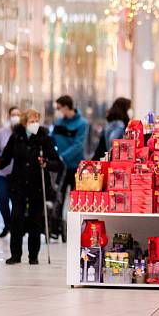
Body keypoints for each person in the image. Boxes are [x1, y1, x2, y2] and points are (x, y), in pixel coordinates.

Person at [0, 109, 63, 265]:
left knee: (35, 222)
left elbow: (57, 163)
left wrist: (46, 163)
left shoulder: (44, 139)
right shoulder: (16, 137)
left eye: (36, 120)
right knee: (16, 219)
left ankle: (33, 256)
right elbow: (5, 159)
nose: (35, 124)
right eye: (31, 121)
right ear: (24, 123)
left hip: (37, 186)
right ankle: (15, 255)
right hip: (18, 185)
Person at [51, 95, 88, 236]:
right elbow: (52, 139)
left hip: (75, 167)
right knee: (58, 196)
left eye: (59, 108)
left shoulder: (82, 124)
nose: (58, 111)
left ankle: (76, 228)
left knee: (76, 198)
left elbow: (78, 145)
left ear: (66, 106)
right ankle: (56, 227)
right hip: (61, 166)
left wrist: (62, 157)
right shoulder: (59, 123)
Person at [0, 106, 21, 238]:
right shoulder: (2, 132)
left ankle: (15, 226)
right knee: (2, 198)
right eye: (13, 114)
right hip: (2, 172)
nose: (16, 117)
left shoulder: (23, 132)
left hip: (17, 173)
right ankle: (7, 223)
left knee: (16, 202)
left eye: (18, 114)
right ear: (9, 116)